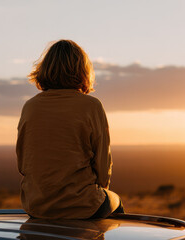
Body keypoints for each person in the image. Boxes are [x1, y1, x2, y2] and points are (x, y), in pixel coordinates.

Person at [16, 39, 124, 219]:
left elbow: (23, 162)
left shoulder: (30, 106)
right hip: (83, 205)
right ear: (83, 70)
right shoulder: (91, 106)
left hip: (36, 206)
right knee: (116, 202)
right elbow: (103, 167)